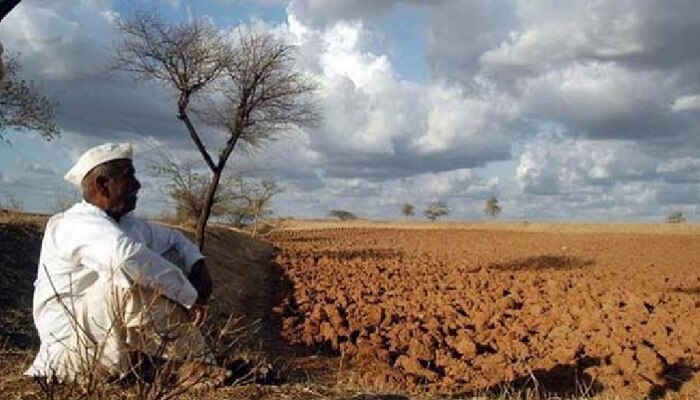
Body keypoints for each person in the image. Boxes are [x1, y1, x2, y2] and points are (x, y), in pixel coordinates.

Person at [25, 142, 214, 381]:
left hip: (106, 343)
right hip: (71, 353)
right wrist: (190, 297)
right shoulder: (74, 224)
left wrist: (198, 265)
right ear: (103, 185)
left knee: (158, 268)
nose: (137, 185)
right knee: (126, 282)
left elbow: (175, 239)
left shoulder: (127, 224)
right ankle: (195, 366)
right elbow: (125, 258)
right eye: (128, 177)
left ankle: (200, 363)